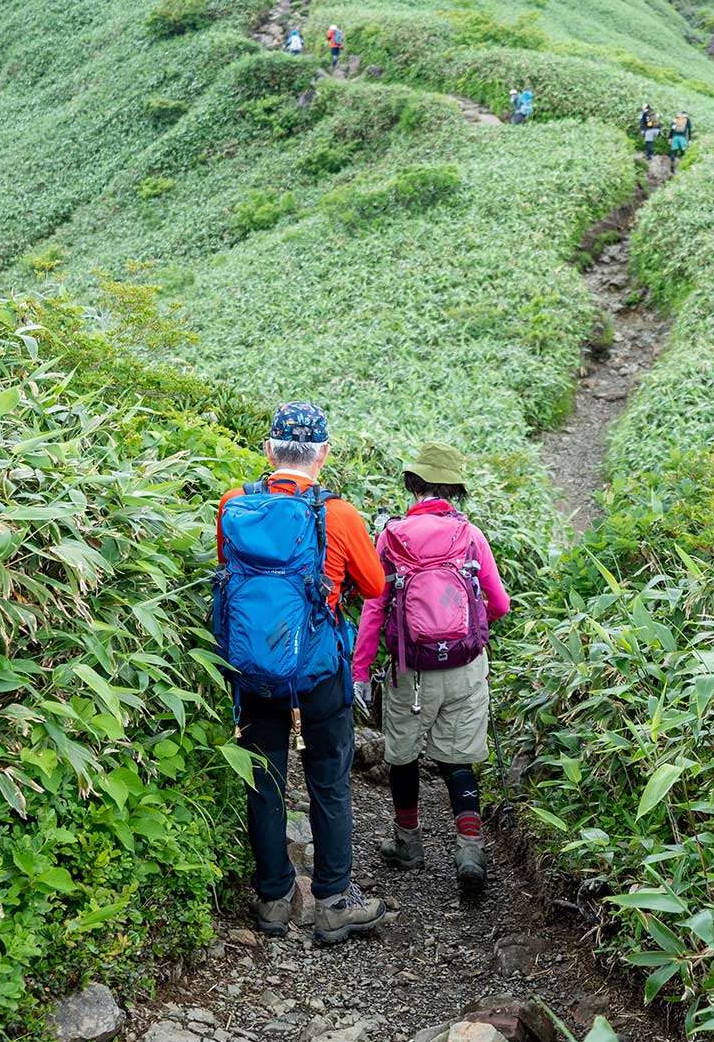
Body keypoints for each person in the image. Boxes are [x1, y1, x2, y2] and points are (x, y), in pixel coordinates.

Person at [215, 402, 387, 945]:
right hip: (317, 672)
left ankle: (273, 900)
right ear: (324, 454)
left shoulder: (233, 505)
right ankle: (334, 901)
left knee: (264, 780)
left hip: (251, 672)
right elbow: (377, 585)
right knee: (329, 782)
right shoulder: (337, 515)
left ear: (268, 450)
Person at [352, 443, 511, 897]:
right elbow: (498, 604)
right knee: (458, 760)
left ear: (413, 484)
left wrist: (361, 671)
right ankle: (469, 849)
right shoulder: (470, 535)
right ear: (453, 490)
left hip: (410, 671)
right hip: (464, 667)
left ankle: (408, 843)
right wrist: (460, 627)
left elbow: (374, 609)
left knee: (402, 756)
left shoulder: (393, 537)